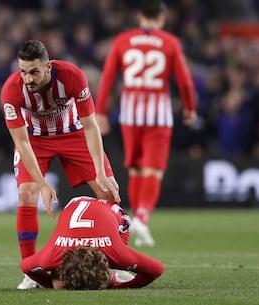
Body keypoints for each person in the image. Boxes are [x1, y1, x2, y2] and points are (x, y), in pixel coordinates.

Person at [0, 40, 121, 289]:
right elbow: (22, 143)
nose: (28, 79)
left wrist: (100, 171)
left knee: (109, 193)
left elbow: (90, 125)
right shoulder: (11, 90)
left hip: (73, 133)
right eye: (23, 72)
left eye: (34, 72)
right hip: (35, 140)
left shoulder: (73, 76)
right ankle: (30, 271)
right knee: (27, 193)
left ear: (48, 67)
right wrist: (43, 184)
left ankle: (114, 265)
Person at [95, 0, 197, 247]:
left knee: (136, 169)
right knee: (154, 170)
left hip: (130, 114)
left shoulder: (122, 41)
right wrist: (190, 106)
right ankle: (141, 217)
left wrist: (101, 111)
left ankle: (136, 219)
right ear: (161, 18)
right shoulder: (170, 43)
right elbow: (183, 80)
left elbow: (108, 76)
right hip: (158, 115)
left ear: (140, 16)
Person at [20, 196, 164, 289]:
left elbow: (26, 266)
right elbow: (157, 269)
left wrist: (115, 285)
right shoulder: (54, 255)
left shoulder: (115, 252)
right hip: (76, 204)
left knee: (111, 268)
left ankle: (117, 272)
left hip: (114, 213)